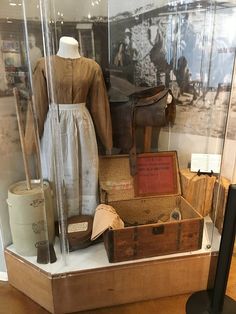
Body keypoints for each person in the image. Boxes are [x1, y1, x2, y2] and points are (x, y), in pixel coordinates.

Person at [25, 37, 112, 218]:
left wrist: (107, 140)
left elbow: (99, 105)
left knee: (84, 166)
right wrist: (31, 142)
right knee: (57, 169)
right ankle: (60, 219)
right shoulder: (43, 66)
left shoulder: (92, 67)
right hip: (55, 125)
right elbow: (38, 106)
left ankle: (85, 217)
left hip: (82, 126)